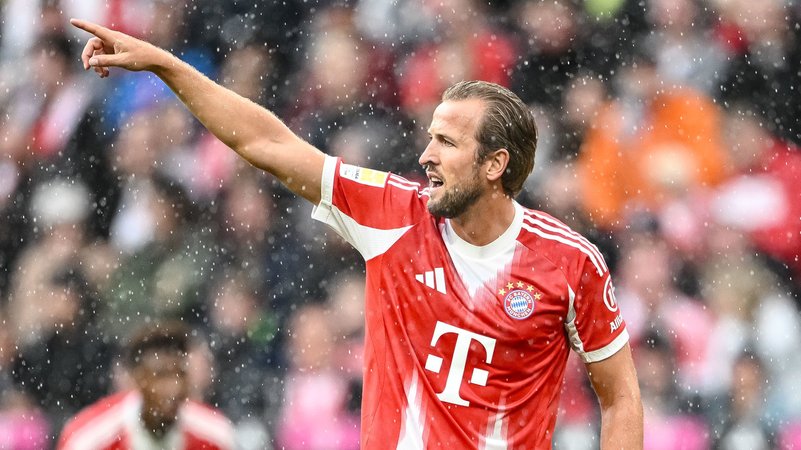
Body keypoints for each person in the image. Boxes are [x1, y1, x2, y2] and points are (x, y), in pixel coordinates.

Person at [70, 18, 643, 449]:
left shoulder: (571, 263)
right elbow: (266, 144)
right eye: (430, 137)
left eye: (447, 143)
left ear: (495, 165)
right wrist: (167, 66)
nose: (426, 156)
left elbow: (619, 396)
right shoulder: (391, 213)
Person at [56, 321, 235, 450]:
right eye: (161, 376)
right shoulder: (89, 439)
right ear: (135, 381)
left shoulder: (216, 436)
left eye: (180, 374)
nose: (174, 387)